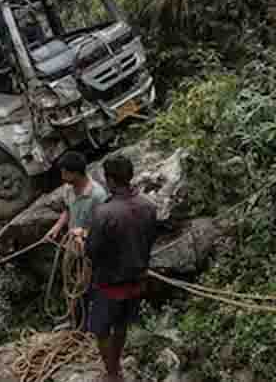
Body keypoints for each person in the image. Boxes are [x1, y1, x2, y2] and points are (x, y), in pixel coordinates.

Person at [86, 155, 157, 382]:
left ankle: (112, 373)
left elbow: (92, 250)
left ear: (110, 180)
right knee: (121, 326)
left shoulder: (104, 213)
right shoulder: (148, 206)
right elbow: (149, 239)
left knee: (101, 329)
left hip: (110, 284)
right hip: (137, 281)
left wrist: (81, 241)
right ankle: (115, 368)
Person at [44, 152, 109, 329]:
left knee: (86, 288)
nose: (62, 177)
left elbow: (104, 227)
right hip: (73, 247)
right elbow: (67, 210)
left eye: (64, 173)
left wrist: (85, 234)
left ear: (75, 173)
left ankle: (85, 326)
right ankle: (74, 321)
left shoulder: (97, 195)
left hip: (90, 250)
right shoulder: (68, 190)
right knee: (72, 286)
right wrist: (57, 228)